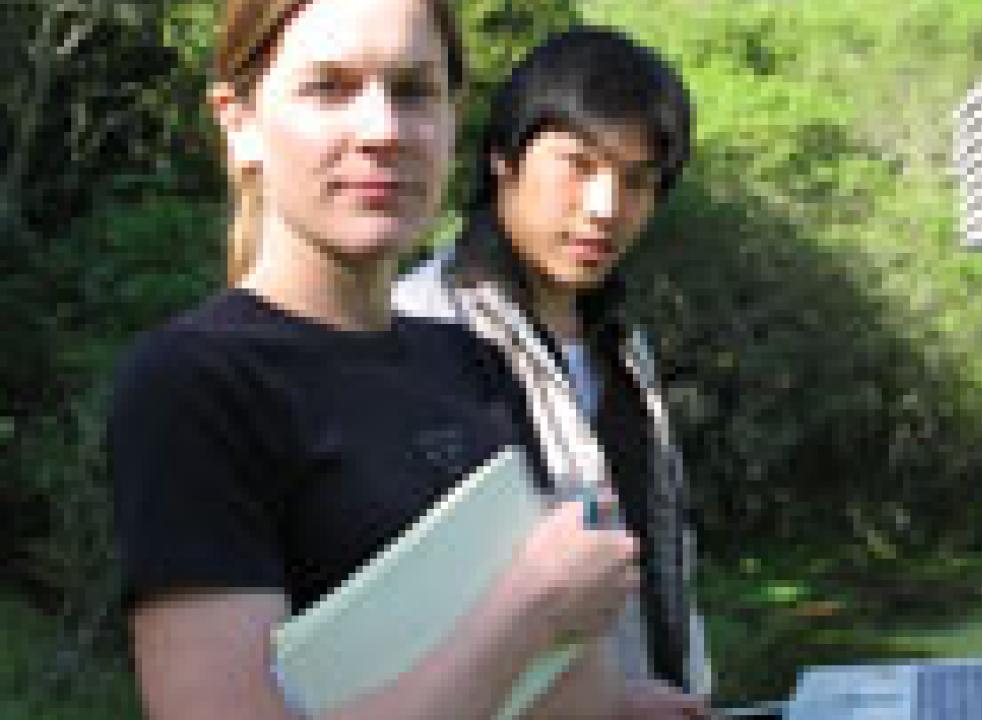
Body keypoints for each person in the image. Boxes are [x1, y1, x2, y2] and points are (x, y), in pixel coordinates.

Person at [109, 1, 660, 717]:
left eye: (414, 90)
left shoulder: (473, 363)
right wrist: (532, 611)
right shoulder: (196, 385)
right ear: (239, 123)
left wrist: (618, 701)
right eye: (328, 88)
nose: (384, 130)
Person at [394, 26, 713, 714]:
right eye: (579, 165)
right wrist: (606, 704)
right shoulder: (419, 328)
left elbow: (661, 558)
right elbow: (412, 616)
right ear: (503, 158)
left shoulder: (622, 344)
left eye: (637, 181)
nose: (605, 207)